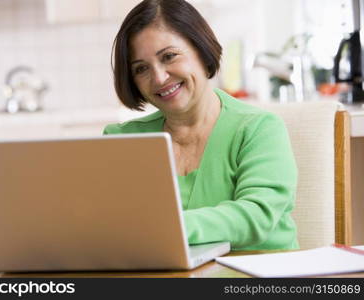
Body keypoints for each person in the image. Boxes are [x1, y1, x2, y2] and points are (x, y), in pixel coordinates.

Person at [103, 0, 298, 250]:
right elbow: (109, 226)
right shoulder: (124, 140)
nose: (159, 78)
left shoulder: (260, 129)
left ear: (201, 49)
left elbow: (256, 216)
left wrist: (164, 228)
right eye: (141, 69)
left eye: (169, 56)